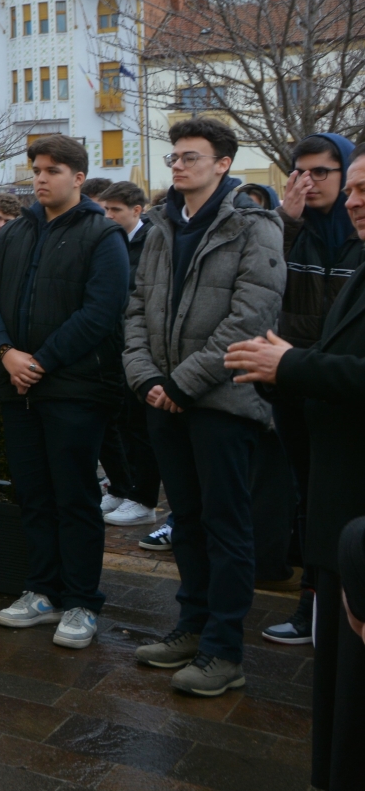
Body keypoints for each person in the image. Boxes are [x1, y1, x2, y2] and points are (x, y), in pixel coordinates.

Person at [123, 117, 282, 696]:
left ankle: (224, 649)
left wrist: (183, 383)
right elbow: (136, 305)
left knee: (225, 525)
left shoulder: (255, 226)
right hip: (165, 399)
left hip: (222, 400)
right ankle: (190, 626)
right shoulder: (164, 225)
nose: (179, 166)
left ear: (222, 164)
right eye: (174, 158)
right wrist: (146, 379)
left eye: (191, 157)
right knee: (184, 520)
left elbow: (250, 317)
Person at [226, 145, 365, 787]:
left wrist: (293, 365)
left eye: (363, 188)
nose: (356, 200)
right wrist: (284, 362)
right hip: (341, 515)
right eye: (355, 189)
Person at [0, 134, 128, 649]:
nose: (40, 178)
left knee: (76, 496)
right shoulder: (16, 233)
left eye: (52, 170)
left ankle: (82, 600)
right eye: (36, 169)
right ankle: (42, 590)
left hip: (75, 388)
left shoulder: (101, 236)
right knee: (34, 495)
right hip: (16, 386)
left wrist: (40, 360)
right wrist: (5, 352)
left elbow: (101, 312)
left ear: (78, 177)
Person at [263, 132, 360, 646]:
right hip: (293, 381)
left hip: (343, 386)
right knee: (307, 495)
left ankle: (339, 603)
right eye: (299, 171)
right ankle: (311, 603)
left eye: (321, 171)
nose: (308, 181)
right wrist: (286, 221)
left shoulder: (357, 233)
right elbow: (260, 274)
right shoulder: (293, 228)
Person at [91, 180, 163, 530]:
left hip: (140, 350)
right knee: (116, 423)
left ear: (137, 210)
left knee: (139, 428)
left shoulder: (152, 243)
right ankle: (121, 486)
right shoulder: (110, 242)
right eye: (105, 209)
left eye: (115, 210)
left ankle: (144, 499)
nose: (107, 216)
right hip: (112, 347)